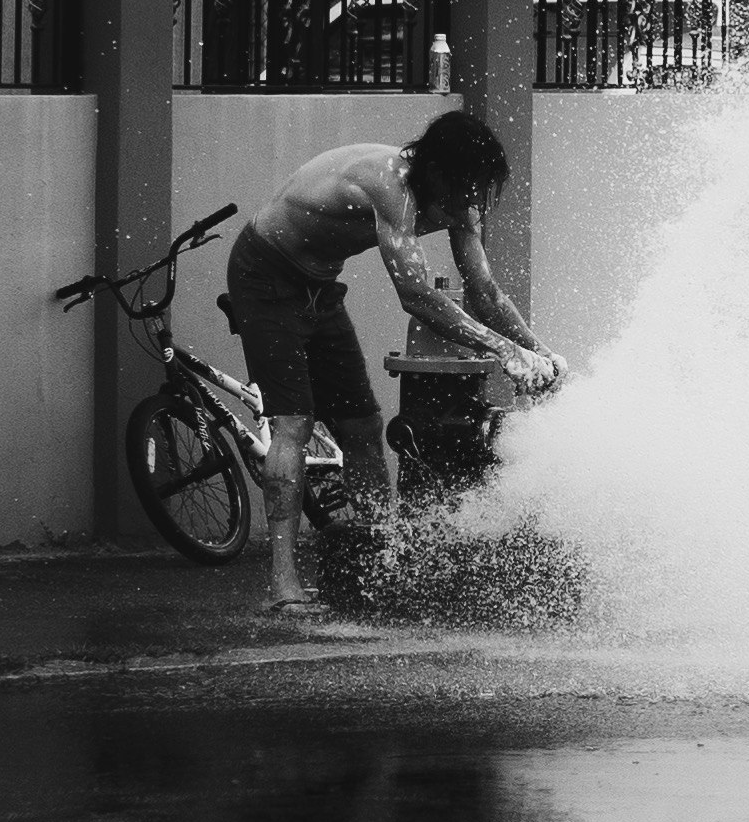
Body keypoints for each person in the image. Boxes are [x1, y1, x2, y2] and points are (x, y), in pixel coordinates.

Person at [223, 109, 560, 611]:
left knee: (362, 424)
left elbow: (484, 291)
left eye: (479, 192)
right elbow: (417, 296)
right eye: (466, 188)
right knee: (293, 422)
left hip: (318, 286)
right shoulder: (390, 184)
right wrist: (503, 350)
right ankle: (284, 585)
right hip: (264, 276)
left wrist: (537, 350)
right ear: (438, 171)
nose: (470, 203)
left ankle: (383, 564)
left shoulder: (459, 200)